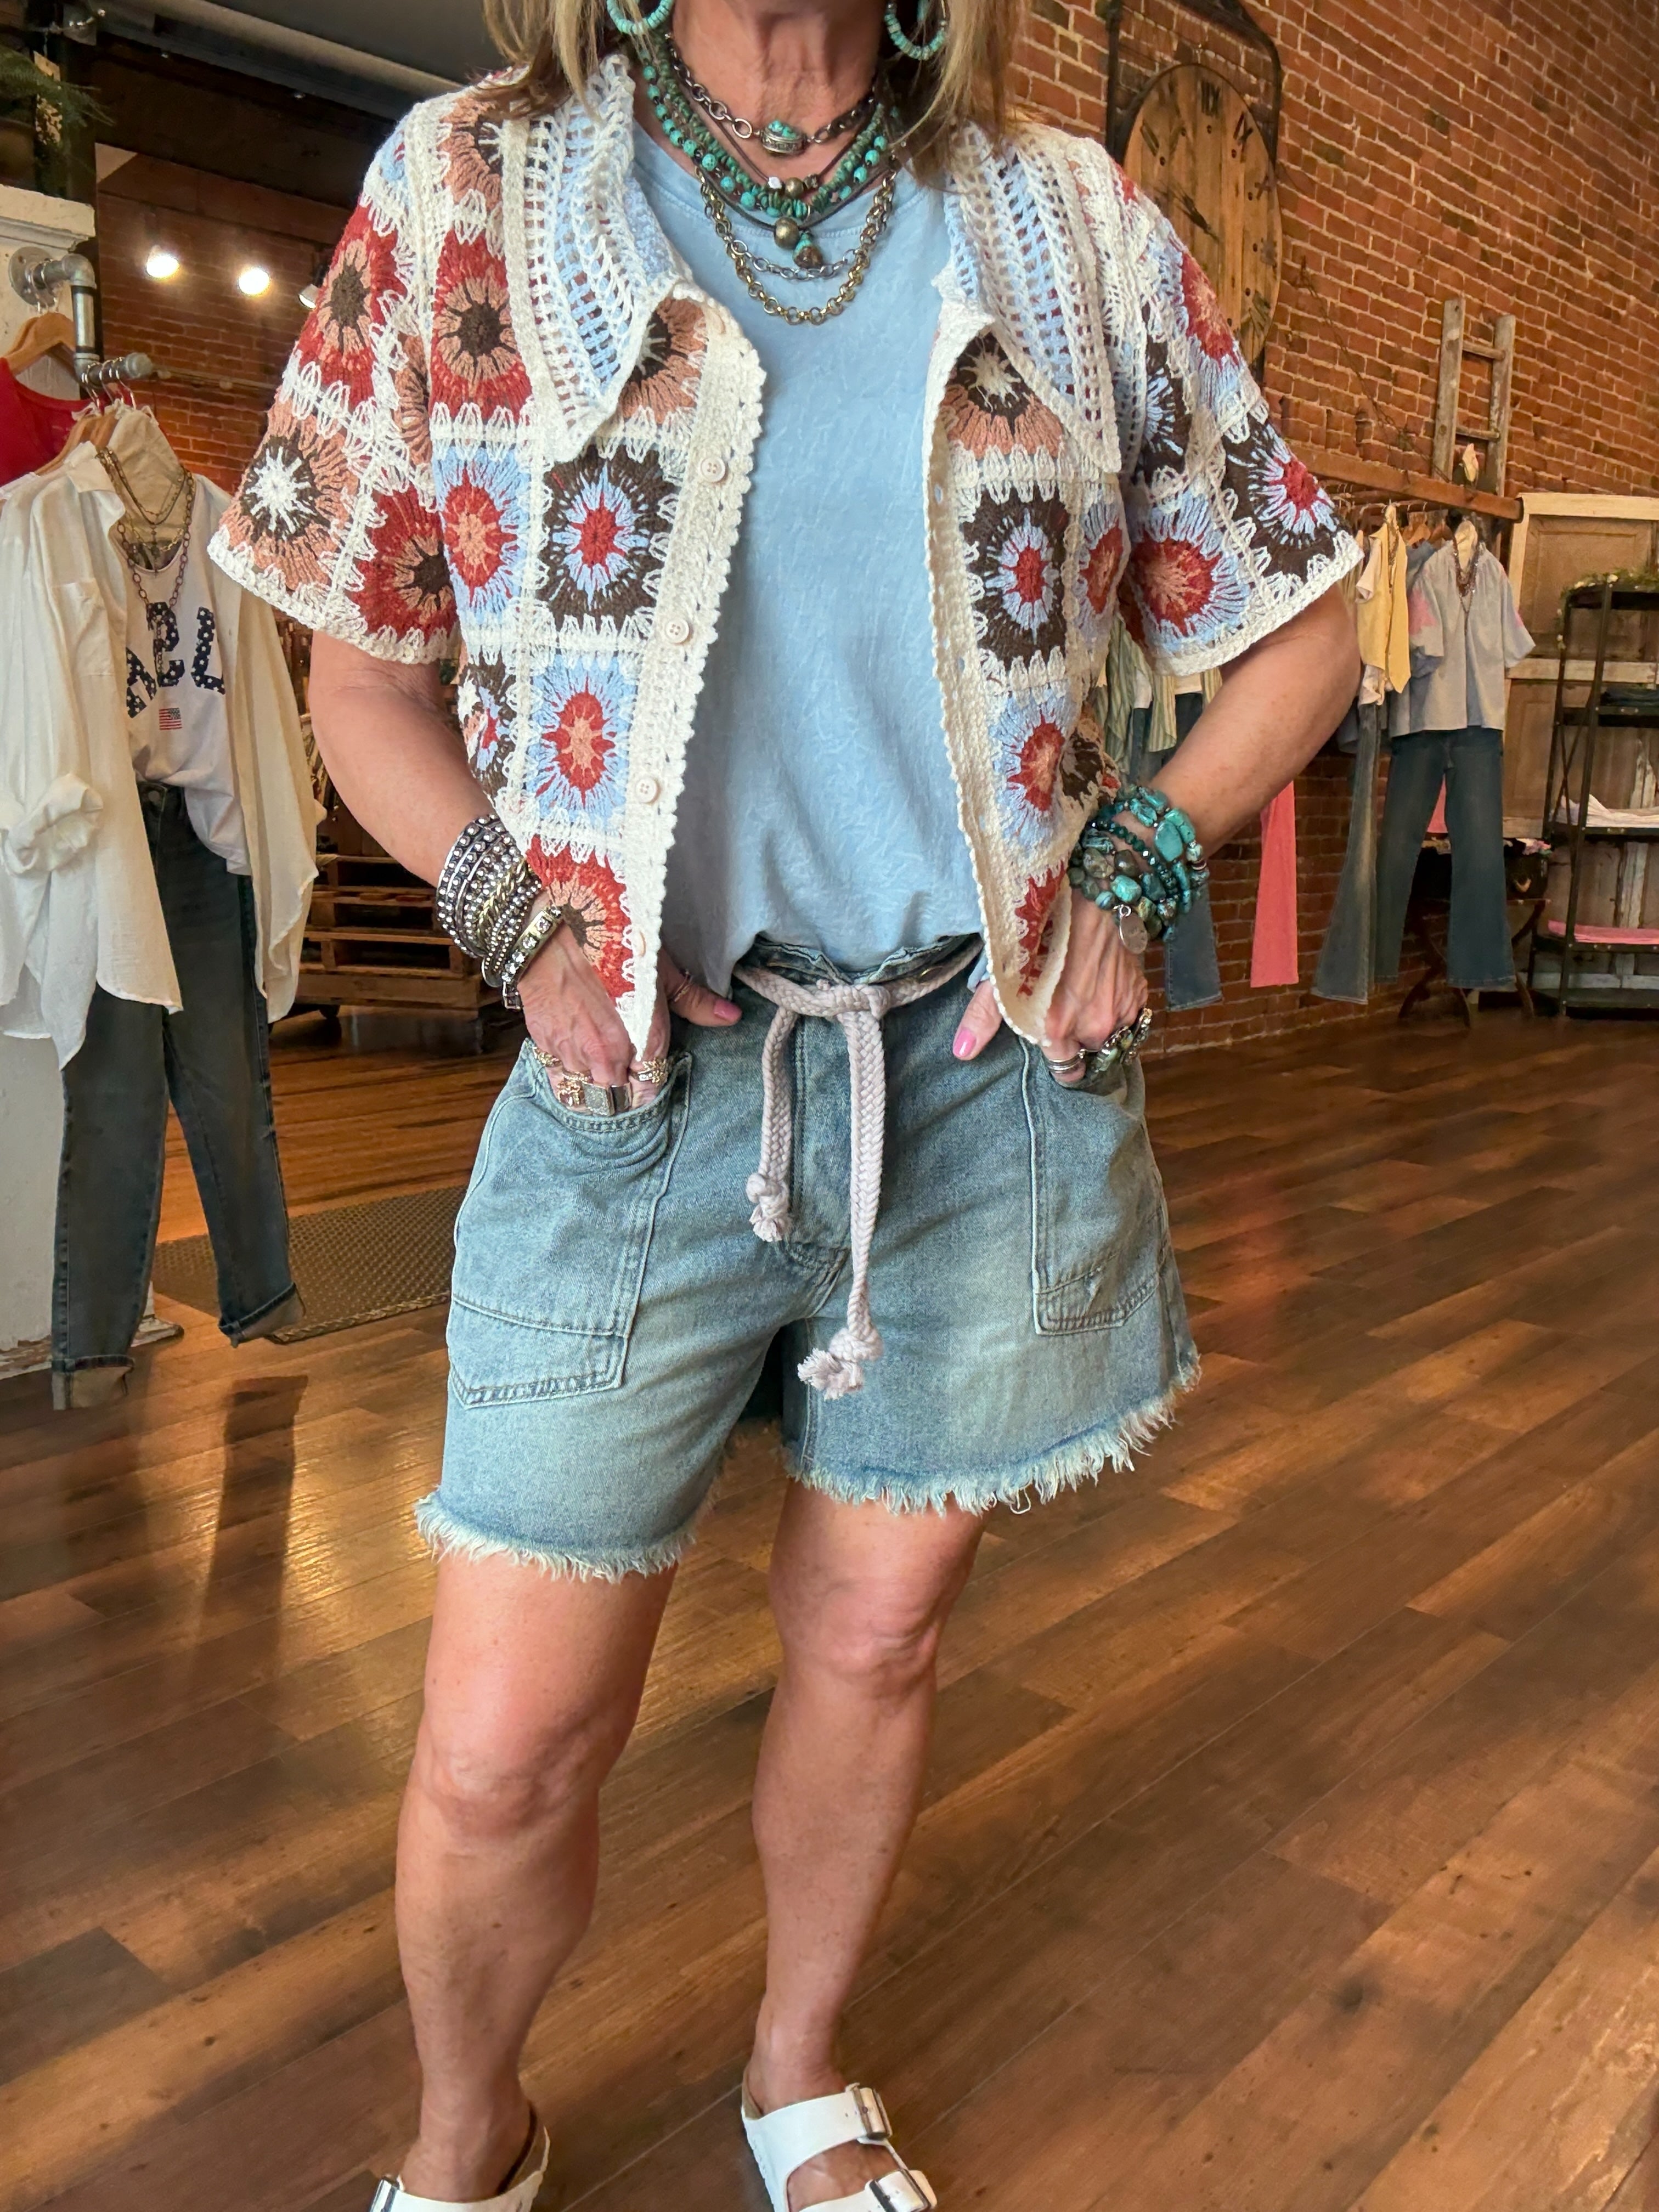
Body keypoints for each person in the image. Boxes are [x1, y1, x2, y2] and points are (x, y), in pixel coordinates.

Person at [211, 0, 1361, 2196]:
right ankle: (469, 2140)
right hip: (629, 1083)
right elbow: (361, 671)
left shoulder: (1068, 226)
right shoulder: (471, 191)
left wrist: (1139, 844)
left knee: (876, 1632)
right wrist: (514, 923)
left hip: (980, 1079)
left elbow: (1300, 621)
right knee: (502, 1742)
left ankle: (800, 2076)